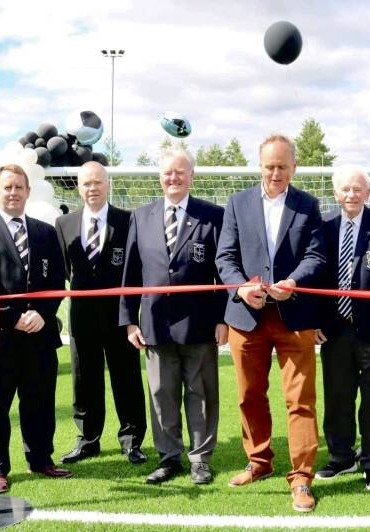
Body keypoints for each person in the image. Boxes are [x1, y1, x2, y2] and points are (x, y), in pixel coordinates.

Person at [215, 133, 326, 512]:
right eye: (269, 166)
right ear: (259, 166)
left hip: (294, 317)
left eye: (282, 166)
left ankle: (302, 478)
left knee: (300, 401)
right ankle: (259, 462)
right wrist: (240, 288)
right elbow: (224, 258)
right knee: (249, 396)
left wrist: (293, 281)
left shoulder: (309, 205)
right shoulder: (237, 202)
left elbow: (316, 256)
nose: (275, 173)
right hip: (246, 318)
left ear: (294, 167)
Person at [120, 147, 226, 485]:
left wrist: (223, 318)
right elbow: (131, 272)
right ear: (160, 177)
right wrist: (129, 319)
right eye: (168, 172)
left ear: (192, 176)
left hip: (200, 323)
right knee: (162, 394)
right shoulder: (141, 216)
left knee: (202, 394)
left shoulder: (213, 216)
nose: (173, 177)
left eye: (180, 172)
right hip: (155, 323)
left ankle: (200, 459)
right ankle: (169, 457)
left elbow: (223, 274)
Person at [0, 164, 70, 495]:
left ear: (27, 191)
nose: (13, 193)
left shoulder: (45, 232)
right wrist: (13, 318)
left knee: (39, 402)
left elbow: (56, 281)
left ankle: (40, 458)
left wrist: (42, 314)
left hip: (40, 335)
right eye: (6, 187)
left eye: (19, 187)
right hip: (0, 338)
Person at [314, 165, 370, 491]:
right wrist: (314, 324)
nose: (351, 194)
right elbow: (316, 277)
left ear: (368, 193)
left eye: (358, 189)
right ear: (337, 193)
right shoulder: (324, 227)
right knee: (337, 398)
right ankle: (341, 457)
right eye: (345, 189)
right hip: (335, 330)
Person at [55, 161, 147, 466]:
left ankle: (132, 440)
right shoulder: (64, 224)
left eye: (97, 183)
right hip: (82, 319)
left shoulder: (128, 220)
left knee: (127, 379)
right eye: (86, 184)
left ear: (108, 185)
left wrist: (131, 317)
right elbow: (65, 272)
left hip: (120, 318)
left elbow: (135, 270)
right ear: (79, 188)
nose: (91, 189)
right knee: (85, 381)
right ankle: (87, 440)